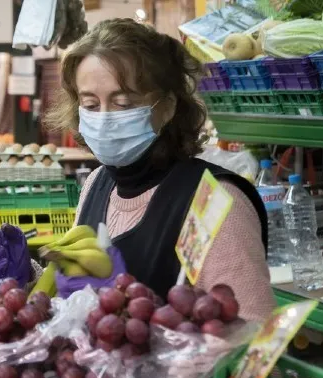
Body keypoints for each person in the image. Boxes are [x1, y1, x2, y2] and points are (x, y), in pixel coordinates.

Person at [45, 18, 275, 322]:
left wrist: (130, 305)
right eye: (90, 104)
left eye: (123, 103)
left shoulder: (212, 202)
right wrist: (25, 276)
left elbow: (253, 334)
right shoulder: (97, 184)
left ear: (166, 107)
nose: (103, 119)